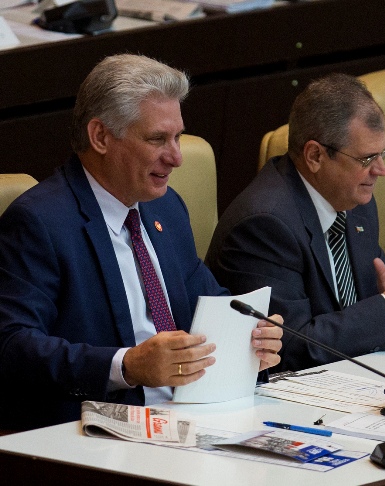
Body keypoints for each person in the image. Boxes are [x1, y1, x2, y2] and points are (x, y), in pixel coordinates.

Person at [0, 54, 283, 431]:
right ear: (100, 136)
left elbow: (214, 301)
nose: (177, 157)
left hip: (192, 417)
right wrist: (127, 366)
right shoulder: (40, 222)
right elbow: (11, 347)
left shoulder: (165, 207)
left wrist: (251, 340)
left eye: (178, 136)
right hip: (94, 434)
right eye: (157, 139)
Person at [205, 73, 385, 371]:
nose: (381, 170)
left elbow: (361, 316)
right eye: (367, 159)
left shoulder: (356, 203)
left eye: (383, 154)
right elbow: (292, 347)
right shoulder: (265, 225)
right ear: (315, 156)